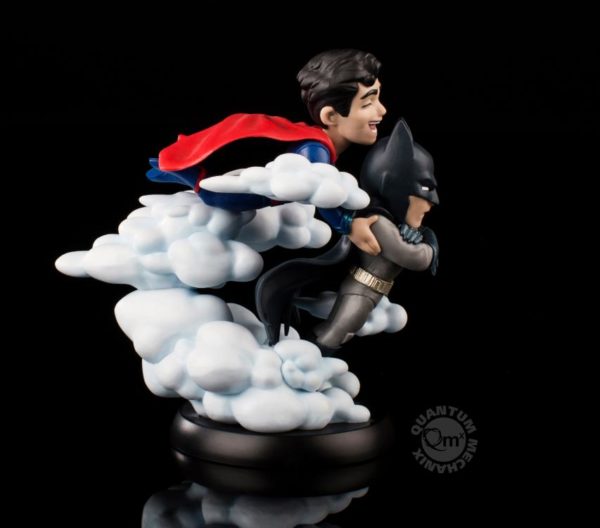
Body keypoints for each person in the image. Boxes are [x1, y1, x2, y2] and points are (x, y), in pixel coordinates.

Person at [146, 49, 386, 255]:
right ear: (331, 116)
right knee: (194, 181)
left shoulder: (319, 143)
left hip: (255, 198)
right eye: (367, 103)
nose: (382, 110)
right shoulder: (315, 150)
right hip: (226, 198)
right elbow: (321, 195)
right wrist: (347, 224)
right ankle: (176, 170)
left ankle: (173, 171)